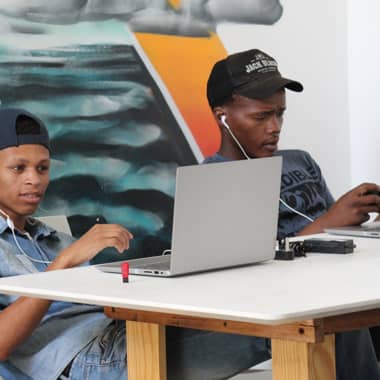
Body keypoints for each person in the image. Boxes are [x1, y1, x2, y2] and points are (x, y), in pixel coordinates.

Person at [0, 107, 269, 380]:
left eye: (42, 168)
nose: (34, 179)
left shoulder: (53, 238)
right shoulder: (62, 251)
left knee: (261, 316)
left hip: (122, 330)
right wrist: (65, 262)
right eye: (18, 168)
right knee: (271, 334)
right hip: (89, 356)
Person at [204, 48, 380, 380]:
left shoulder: (300, 160)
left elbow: (339, 237)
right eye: (261, 117)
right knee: (335, 313)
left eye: (280, 114)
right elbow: (245, 274)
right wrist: (329, 223)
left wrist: (364, 223)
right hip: (292, 303)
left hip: (340, 281)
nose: (275, 127)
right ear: (222, 116)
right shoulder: (214, 181)